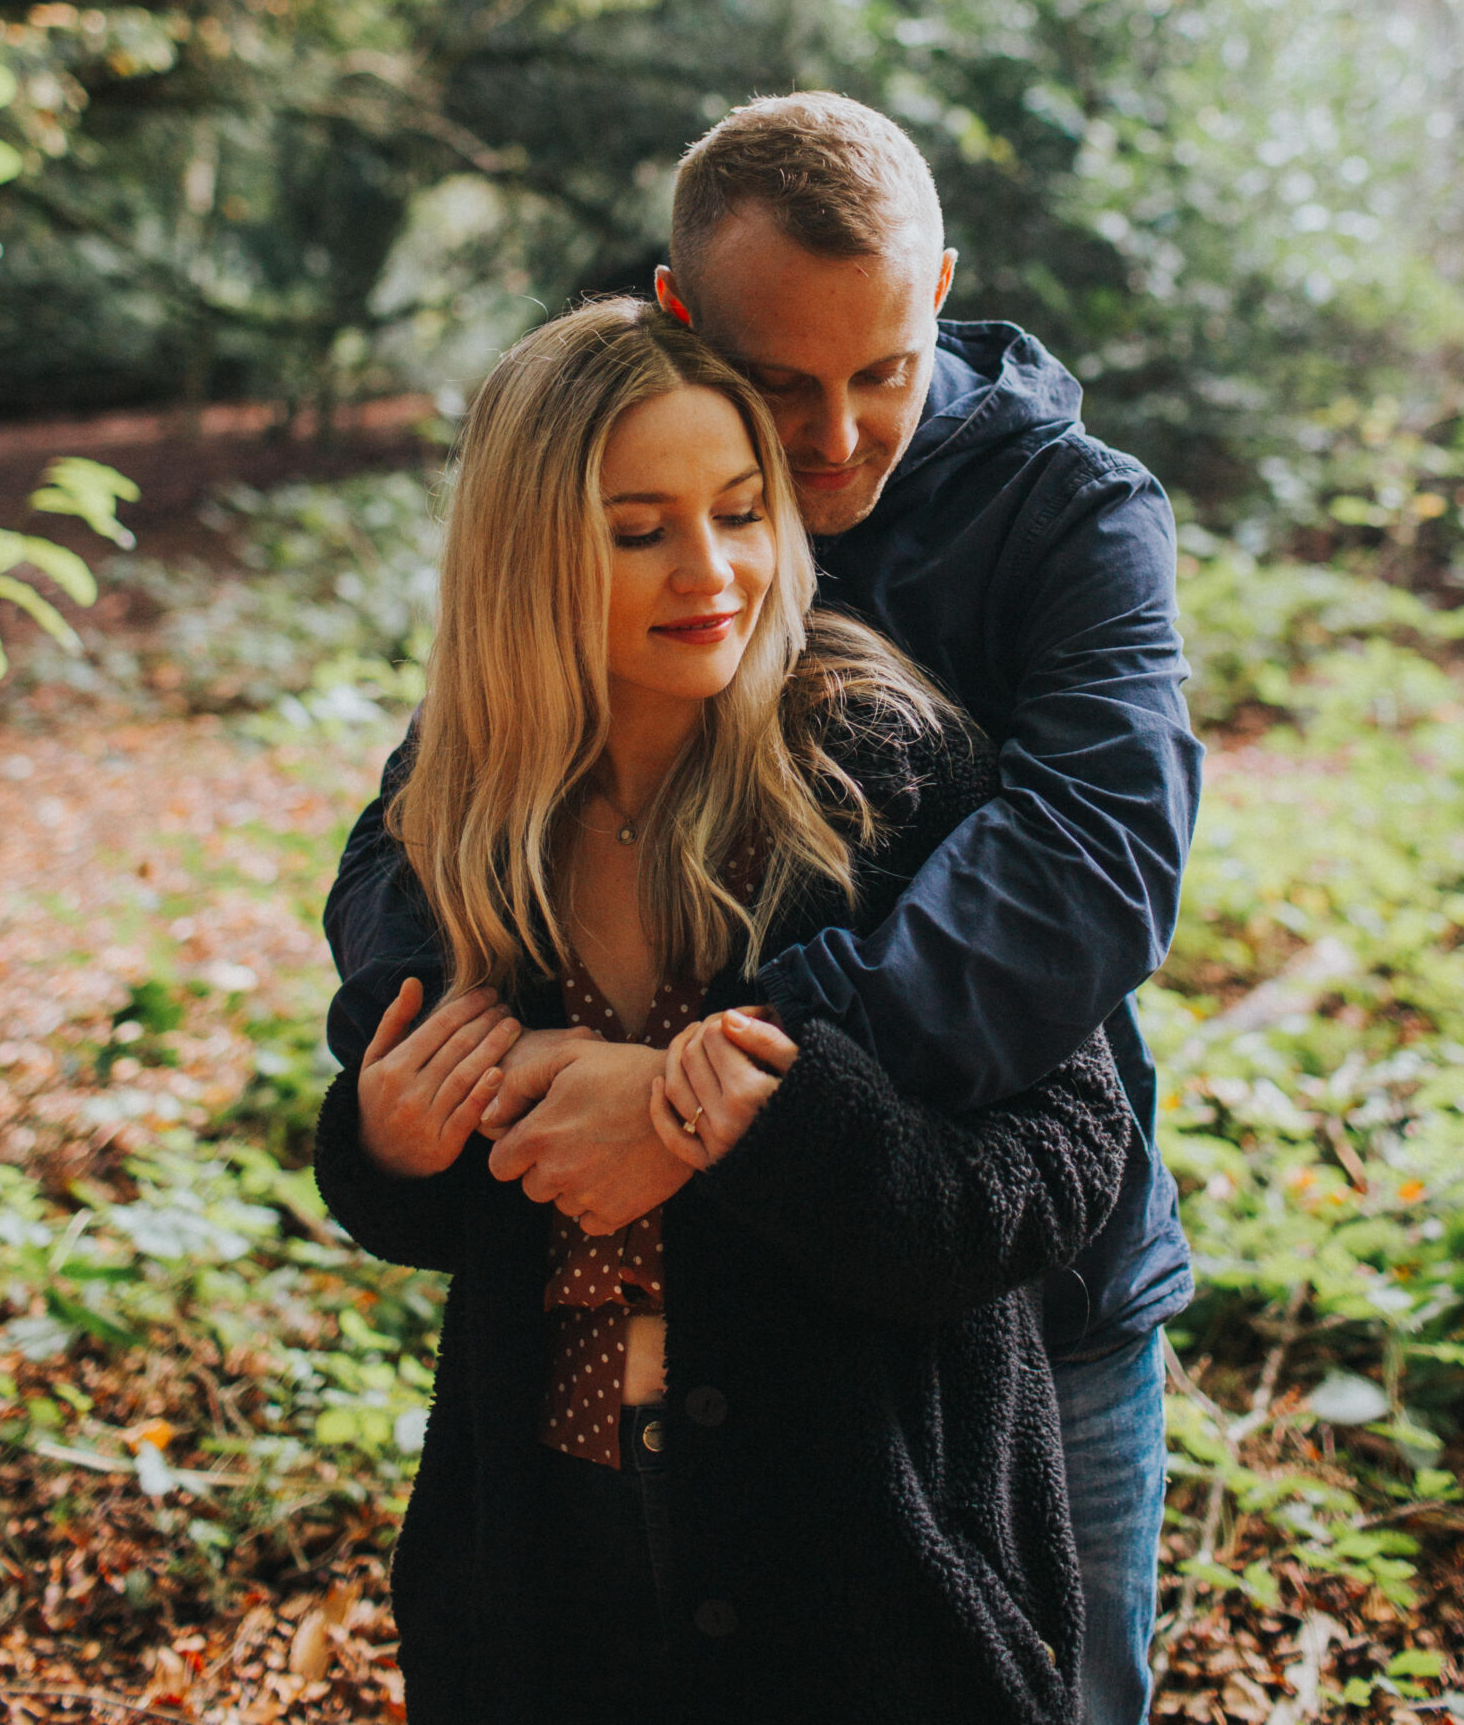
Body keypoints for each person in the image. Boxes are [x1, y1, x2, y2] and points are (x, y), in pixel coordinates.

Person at [327, 93, 1203, 1725]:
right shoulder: (637, 464)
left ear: (940, 288)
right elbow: (425, 825)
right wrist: (434, 1058)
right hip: (649, 1387)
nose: (834, 444)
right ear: (683, 321)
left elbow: (1090, 867)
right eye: (780, 389)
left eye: (882, 373)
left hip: (1011, 1289)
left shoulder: (1067, 518)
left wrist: (710, 1086)